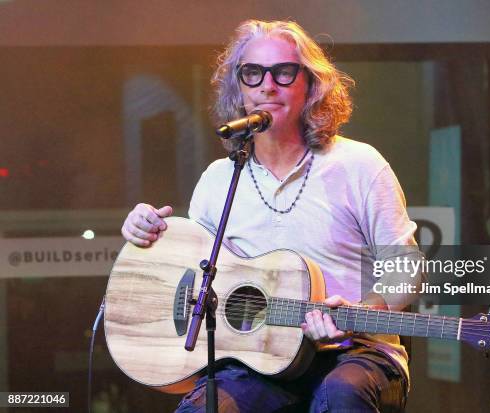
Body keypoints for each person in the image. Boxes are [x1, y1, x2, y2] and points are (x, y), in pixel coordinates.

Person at [121, 19, 422, 413]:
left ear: (310, 85)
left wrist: (364, 312)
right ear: (238, 88)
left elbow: (405, 267)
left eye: (283, 72)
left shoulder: (359, 165)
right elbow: (191, 269)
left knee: (339, 395)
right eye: (252, 74)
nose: (267, 86)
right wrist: (145, 230)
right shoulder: (219, 180)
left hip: (357, 352)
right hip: (259, 360)